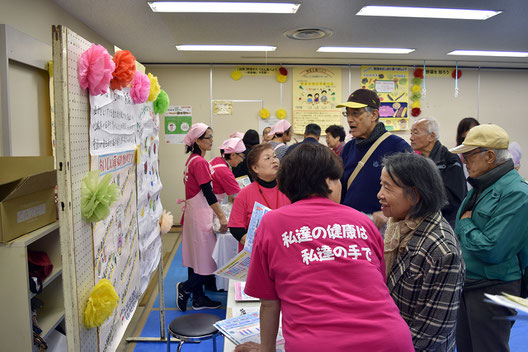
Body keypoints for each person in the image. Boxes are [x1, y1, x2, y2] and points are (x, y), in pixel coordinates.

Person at [239, 143, 414, 352]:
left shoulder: (271, 223)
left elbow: (269, 303)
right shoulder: (362, 222)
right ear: (328, 182)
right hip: (391, 339)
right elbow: (378, 282)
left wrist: (266, 349)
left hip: (317, 344)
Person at [450, 124, 528, 352]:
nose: (464, 161)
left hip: (494, 288)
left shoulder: (517, 193)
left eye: (469, 155)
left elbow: (492, 249)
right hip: (470, 283)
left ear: (490, 156)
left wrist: (465, 224)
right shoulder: (482, 185)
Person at [378, 152, 465, 351]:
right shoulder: (395, 227)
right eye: (381, 184)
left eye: (387, 187)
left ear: (415, 195)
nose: (379, 194)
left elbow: (432, 332)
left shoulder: (442, 251)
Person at [337, 88, 411, 230]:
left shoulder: (397, 147)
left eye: (356, 113)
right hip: (349, 226)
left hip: (382, 228)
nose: (349, 119)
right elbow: (340, 187)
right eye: (347, 113)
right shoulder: (348, 148)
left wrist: (389, 215)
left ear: (374, 115)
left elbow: (413, 191)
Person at [177, 123, 226, 312]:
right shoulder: (199, 162)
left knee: (195, 257)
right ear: (197, 140)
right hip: (200, 215)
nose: (212, 141)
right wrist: (221, 216)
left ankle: (198, 298)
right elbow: (208, 192)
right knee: (207, 258)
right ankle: (186, 288)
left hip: (193, 213)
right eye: (209, 138)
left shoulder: (191, 160)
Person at [228, 143, 290, 246]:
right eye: (267, 158)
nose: (274, 160)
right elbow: (236, 229)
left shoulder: (289, 189)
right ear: (255, 168)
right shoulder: (244, 194)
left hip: (284, 249)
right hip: (257, 252)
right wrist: (258, 247)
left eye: (275, 156)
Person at [410, 117, 467, 227]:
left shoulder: (449, 159)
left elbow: (454, 199)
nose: (411, 138)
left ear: (431, 136)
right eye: (411, 133)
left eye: (416, 133)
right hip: (426, 220)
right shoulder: (418, 161)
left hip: (447, 223)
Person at [209, 137, 245, 202]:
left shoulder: (216, 160)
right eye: (241, 157)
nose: (242, 160)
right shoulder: (224, 172)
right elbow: (238, 196)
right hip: (210, 207)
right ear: (233, 155)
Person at [456, 117, 480, 189]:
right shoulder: (456, 154)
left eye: (477, 129)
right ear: (462, 133)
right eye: (470, 129)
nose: (474, 132)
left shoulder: (483, 151)